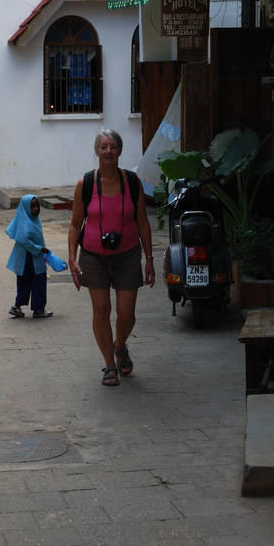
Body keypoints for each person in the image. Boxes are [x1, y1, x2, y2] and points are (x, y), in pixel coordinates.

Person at [68, 129, 155, 386]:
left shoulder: (132, 182)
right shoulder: (85, 184)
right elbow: (75, 224)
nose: (109, 151)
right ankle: (109, 364)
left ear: (120, 150)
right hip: (94, 256)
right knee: (102, 309)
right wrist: (72, 258)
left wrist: (149, 258)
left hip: (127, 255)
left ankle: (120, 346)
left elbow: (143, 222)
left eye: (113, 146)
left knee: (127, 314)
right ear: (97, 151)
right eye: (104, 147)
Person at [5, 194, 53, 319]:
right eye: (32, 207)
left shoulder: (32, 220)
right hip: (29, 258)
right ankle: (38, 309)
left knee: (24, 282)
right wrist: (40, 249)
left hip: (25, 258)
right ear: (26, 208)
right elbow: (23, 239)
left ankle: (17, 307)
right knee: (39, 281)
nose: (36, 209)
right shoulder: (25, 222)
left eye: (37, 206)